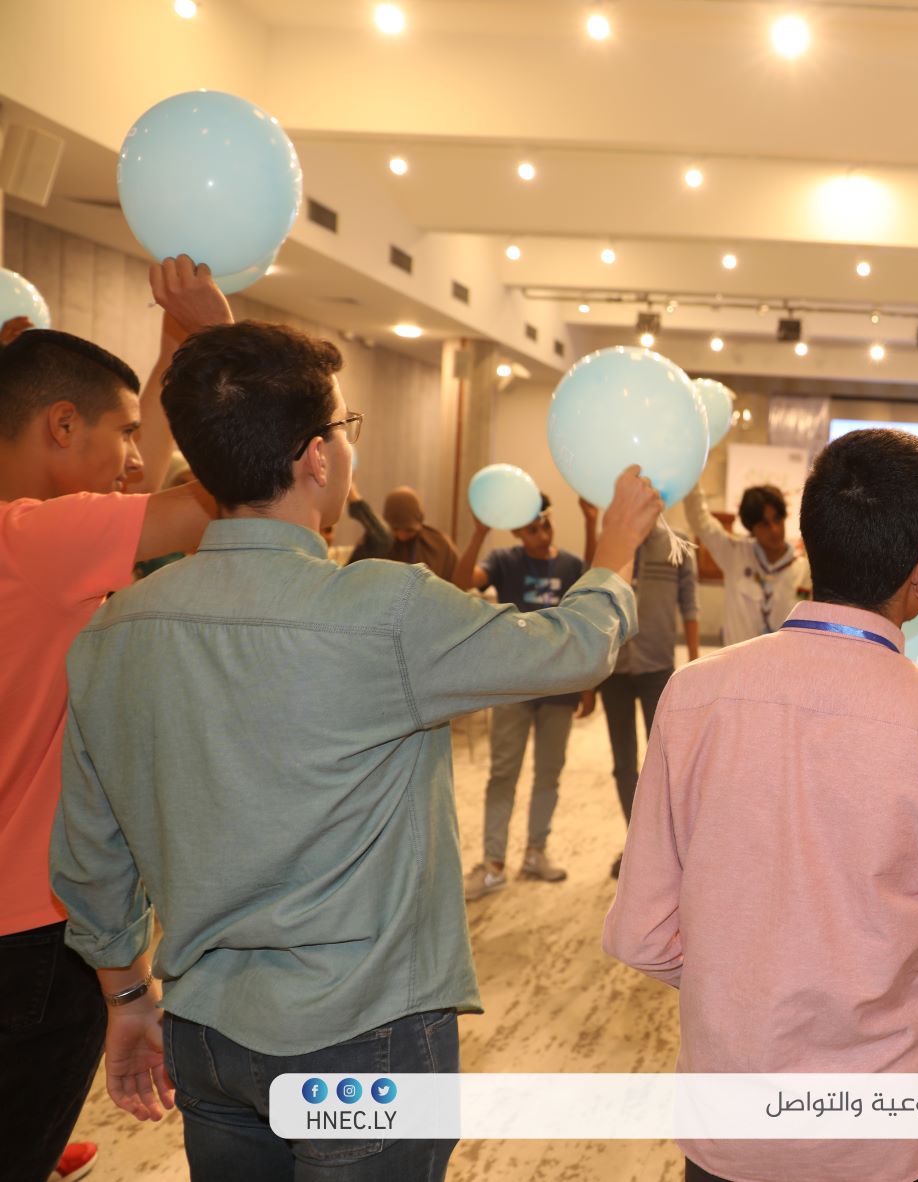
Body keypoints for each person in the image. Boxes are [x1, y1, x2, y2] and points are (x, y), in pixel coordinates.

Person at [49, 319, 661, 1181]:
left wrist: (125, 998)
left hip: (205, 1033)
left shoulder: (113, 632)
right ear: (316, 457)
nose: (348, 449)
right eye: (345, 429)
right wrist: (615, 555)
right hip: (363, 1034)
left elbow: (91, 856)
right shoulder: (384, 611)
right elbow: (572, 646)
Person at [605, 428, 918, 1182]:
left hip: (734, 1116)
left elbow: (641, 934)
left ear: (808, 539)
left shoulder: (693, 696)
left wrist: (744, 975)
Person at [0, 258, 221, 1182]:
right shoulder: (39, 543)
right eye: (124, 433)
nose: (137, 456)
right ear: (60, 425)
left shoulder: (35, 540)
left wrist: (170, 360)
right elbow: (219, 498)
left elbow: (125, 497)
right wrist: (219, 342)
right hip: (31, 930)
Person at [454, 493, 602, 898]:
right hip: (513, 685)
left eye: (545, 521)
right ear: (518, 530)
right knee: (503, 773)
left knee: (548, 773)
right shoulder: (504, 560)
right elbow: (461, 582)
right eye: (532, 526)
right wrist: (479, 532)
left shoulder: (570, 564)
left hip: (559, 686)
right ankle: (493, 864)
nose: (542, 530)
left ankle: (536, 851)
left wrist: (591, 523)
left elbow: (593, 591)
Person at [599, 515, 700, 878]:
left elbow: (689, 603)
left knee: (665, 762)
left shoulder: (677, 544)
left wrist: (695, 663)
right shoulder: (611, 540)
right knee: (623, 763)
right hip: (614, 670)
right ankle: (635, 845)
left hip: (657, 667)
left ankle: (667, 851)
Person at [684, 482, 809, 643]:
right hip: (737, 658)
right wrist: (691, 475)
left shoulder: (804, 569)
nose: (774, 529)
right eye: (764, 524)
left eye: (777, 519)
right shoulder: (735, 554)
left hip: (787, 658)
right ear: (752, 529)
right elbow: (699, 520)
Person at [360, 484, 457, 576]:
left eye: (409, 530)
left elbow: (458, 580)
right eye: (395, 529)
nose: (402, 536)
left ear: (419, 523)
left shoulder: (440, 545)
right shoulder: (373, 543)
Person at [323, 485, 392, 565]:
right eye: (317, 530)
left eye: (328, 530)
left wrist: (354, 499)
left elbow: (381, 539)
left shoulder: (341, 557)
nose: (322, 536)